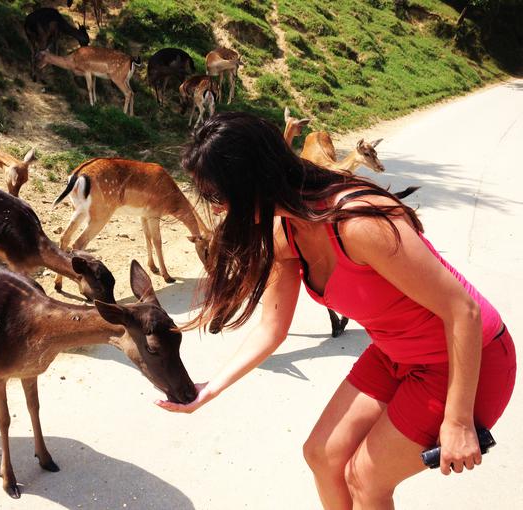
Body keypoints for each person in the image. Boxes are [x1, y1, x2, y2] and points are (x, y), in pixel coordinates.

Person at [156, 112, 516, 508]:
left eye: (217, 196)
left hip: (465, 356)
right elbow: (271, 329)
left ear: (253, 181)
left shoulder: (358, 224)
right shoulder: (285, 231)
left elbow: (463, 311)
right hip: (395, 353)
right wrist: (211, 388)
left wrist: (459, 420)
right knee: (322, 455)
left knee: (364, 480)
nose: (219, 209)